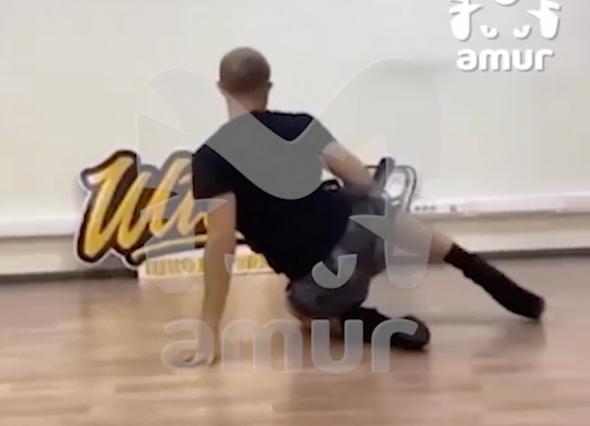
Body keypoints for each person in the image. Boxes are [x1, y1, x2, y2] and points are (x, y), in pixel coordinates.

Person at [191, 47, 545, 364]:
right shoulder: (301, 125)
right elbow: (362, 179)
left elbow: (221, 242)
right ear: (268, 87)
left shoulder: (210, 158)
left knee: (298, 308)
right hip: (371, 239)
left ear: (221, 88)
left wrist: (208, 328)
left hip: (327, 278)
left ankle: (374, 325)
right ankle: (502, 286)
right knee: (380, 211)